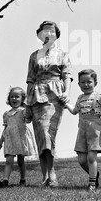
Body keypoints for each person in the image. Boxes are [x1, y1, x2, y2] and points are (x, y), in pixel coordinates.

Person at [26, 21, 72, 188]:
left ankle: (52, 173)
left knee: (48, 133)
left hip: (55, 96)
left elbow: (67, 75)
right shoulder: (33, 56)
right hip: (36, 96)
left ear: (56, 35)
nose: (48, 34)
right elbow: (30, 80)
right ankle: (45, 176)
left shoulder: (62, 54)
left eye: (51, 31)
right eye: (44, 31)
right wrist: (27, 105)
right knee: (40, 135)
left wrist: (67, 92)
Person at [62, 69, 101, 191]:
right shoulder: (80, 98)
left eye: (89, 82)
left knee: (91, 158)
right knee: (82, 159)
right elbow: (74, 111)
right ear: (78, 84)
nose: (86, 85)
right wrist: (66, 104)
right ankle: (94, 174)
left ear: (95, 83)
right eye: (82, 82)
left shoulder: (100, 96)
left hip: (95, 129)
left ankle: (92, 184)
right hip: (82, 129)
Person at [0, 86, 36, 188]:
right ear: (9, 99)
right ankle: (5, 181)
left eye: (17, 97)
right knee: (9, 160)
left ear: (22, 99)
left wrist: (27, 108)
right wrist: (1, 141)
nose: (14, 99)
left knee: (20, 161)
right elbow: (5, 129)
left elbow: (28, 120)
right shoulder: (6, 114)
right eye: (12, 97)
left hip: (20, 138)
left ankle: (22, 179)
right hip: (9, 139)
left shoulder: (23, 111)